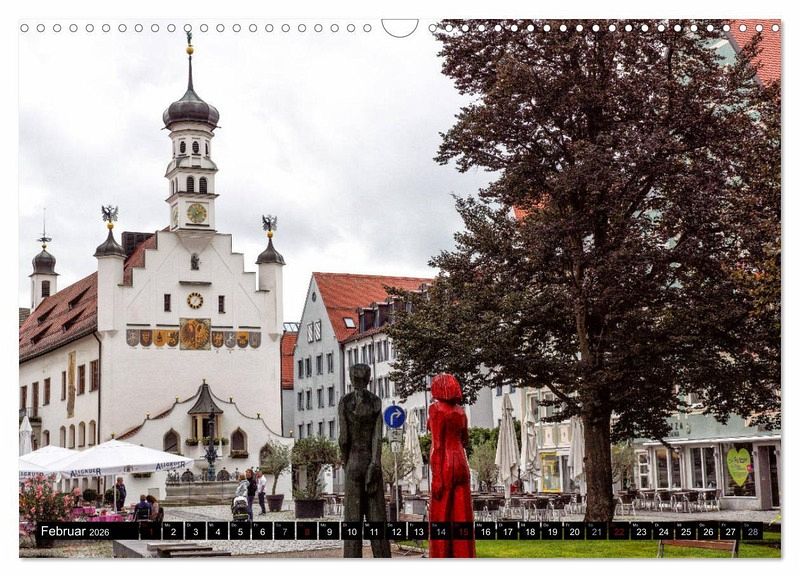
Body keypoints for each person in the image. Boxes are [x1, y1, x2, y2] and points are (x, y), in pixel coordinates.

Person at [338, 363, 391, 558]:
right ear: (368, 379)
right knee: (377, 520)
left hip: (353, 461)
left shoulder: (345, 402)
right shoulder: (375, 402)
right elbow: (377, 437)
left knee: (353, 521)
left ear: (351, 379)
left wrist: (346, 463)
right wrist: (374, 463)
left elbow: (343, 439)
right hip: (371, 462)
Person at [427, 373, 476, 558]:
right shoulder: (461, 412)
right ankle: (465, 556)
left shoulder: (436, 410)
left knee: (440, 515)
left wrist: (437, 478)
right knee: (462, 514)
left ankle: (441, 556)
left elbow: (438, 445)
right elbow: (465, 439)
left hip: (445, 463)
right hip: (461, 462)